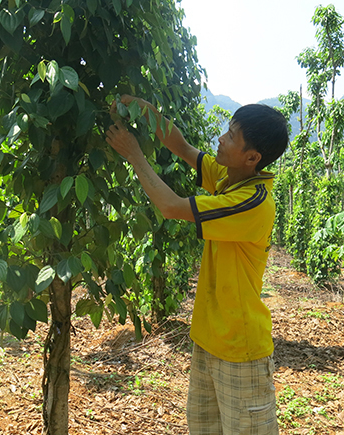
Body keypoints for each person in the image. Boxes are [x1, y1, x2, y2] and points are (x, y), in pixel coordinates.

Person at [105, 94, 289, 435]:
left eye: (232, 136)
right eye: (227, 130)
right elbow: (183, 146)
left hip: (239, 347)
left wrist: (134, 155)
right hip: (208, 339)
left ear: (252, 157)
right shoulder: (230, 176)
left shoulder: (253, 202)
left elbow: (171, 207)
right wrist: (145, 108)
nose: (221, 139)